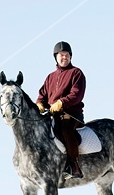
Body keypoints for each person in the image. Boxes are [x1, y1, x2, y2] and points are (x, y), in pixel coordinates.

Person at [36, 41, 86, 179]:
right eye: (61, 55)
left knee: (65, 129)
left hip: (71, 114)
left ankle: (74, 166)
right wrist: (40, 103)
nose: (64, 57)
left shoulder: (76, 73)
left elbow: (76, 94)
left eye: (67, 55)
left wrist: (61, 103)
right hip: (52, 114)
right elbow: (43, 94)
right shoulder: (50, 77)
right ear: (56, 57)